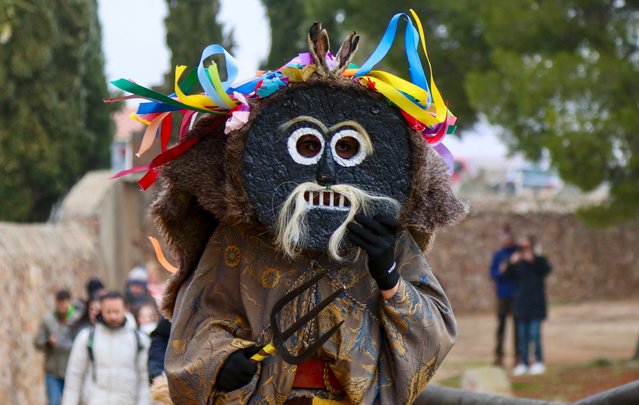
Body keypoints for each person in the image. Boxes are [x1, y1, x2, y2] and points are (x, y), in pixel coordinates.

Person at [62, 291, 150, 405]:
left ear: (125, 310)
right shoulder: (87, 338)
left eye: (116, 312)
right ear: (101, 310)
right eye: (108, 312)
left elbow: (144, 379)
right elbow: (74, 376)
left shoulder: (139, 340)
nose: (112, 316)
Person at [501, 235, 552, 376]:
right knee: (522, 337)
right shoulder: (518, 263)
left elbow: (547, 270)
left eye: (527, 247)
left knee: (534, 335)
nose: (524, 250)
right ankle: (523, 363)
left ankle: (538, 362)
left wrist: (533, 261)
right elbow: (503, 274)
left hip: (536, 304)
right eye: (522, 247)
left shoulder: (539, 261)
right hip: (521, 305)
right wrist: (512, 261)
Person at [34, 289, 76, 405]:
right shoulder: (48, 320)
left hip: (71, 371)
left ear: (69, 303)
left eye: (64, 304)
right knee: (54, 402)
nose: (62, 307)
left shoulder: (76, 320)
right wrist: (48, 342)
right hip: (53, 371)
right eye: (59, 304)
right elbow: (37, 342)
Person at [489, 225, 519, 366]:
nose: (506, 239)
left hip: (516, 295)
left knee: (517, 327)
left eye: (508, 237)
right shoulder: (498, 254)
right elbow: (493, 274)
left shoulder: (517, 253)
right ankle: (499, 355)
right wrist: (501, 271)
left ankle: (518, 356)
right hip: (502, 295)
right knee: (501, 326)